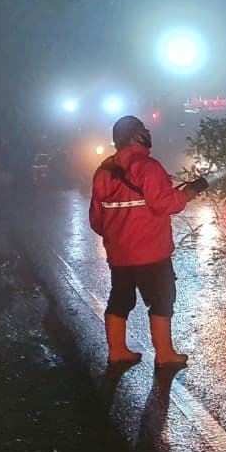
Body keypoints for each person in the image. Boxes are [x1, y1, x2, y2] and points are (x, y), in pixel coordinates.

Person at [89, 116, 207, 369]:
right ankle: (165, 354)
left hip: (119, 255)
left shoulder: (103, 172)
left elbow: (97, 220)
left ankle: (118, 352)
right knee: (162, 299)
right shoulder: (148, 167)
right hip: (152, 253)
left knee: (120, 299)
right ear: (134, 135)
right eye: (143, 129)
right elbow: (165, 203)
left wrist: (118, 237)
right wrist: (187, 193)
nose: (147, 132)